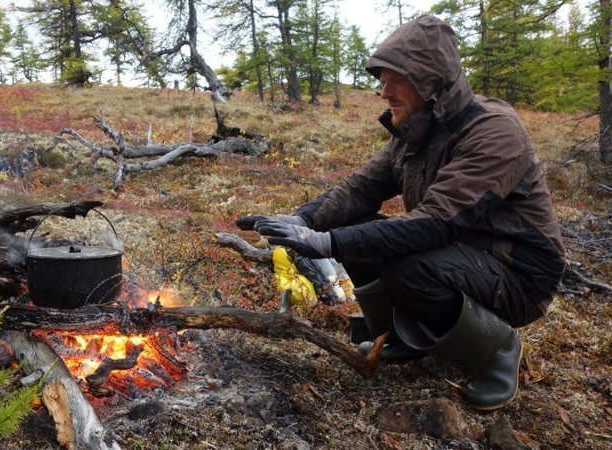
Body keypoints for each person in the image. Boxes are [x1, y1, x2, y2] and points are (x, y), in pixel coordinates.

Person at [239, 15, 565, 411]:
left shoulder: (494, 130)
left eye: (396, 80)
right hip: (461, 256)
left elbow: (439, 221)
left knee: (405, 267)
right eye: (382, 79)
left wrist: (325, 243)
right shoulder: (416, 128)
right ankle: (405, 336)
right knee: (358, 234)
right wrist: (304, 220)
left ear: (431, 82)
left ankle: (496, 348)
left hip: (518, 275)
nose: (383, 92)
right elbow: (363, 187)